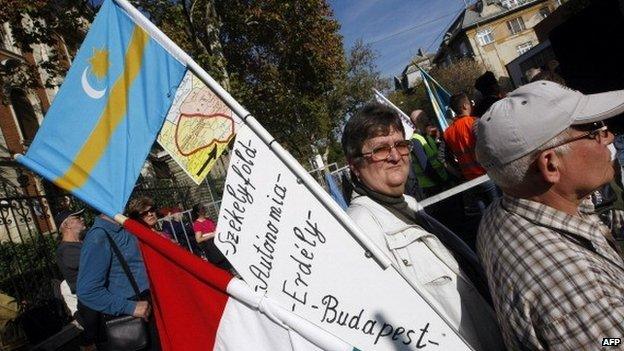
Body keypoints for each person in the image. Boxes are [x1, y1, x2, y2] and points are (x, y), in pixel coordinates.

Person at [474, 80, 624, 350]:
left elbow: (588, 223)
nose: (608, 137)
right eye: (594, 130)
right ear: (551, 164)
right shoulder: (579, 294)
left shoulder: (506, 208)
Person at [342, 102, 504, 350]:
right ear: (355, 165)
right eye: (380, 150)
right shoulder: (360, 232)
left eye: (399, 144)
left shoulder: (408, 204)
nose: (395, 156)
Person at [77, 214, 159, 350]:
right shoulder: (98, 236)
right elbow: (87, 291)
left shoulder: (127, 225)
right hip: (136, 314)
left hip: (152, 304)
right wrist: (129, 307)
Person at [445, 92, 500, 214]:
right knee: (498, 209)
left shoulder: (448, 132)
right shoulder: (474, 122)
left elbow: (443, 158)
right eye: (469, 103)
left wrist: (458, 173)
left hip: (469, 180)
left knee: (483, 212)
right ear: (465, 106)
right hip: (486, 174)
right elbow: (489, 145)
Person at [55, 208, 99, 350]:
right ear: (67, 225)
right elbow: (98, 263)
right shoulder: (66, 250)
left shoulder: (80, 243)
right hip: (92, 305)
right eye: (77, 217)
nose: (82, 218)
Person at [407, 109, 450, 198]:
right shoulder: (415, 141)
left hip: (442, 180)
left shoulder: (427, 137)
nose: (427, 119)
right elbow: (426, 168)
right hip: (432, 187)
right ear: (417, 121)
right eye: (424, 117)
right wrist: (442, 184)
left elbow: (438, 157)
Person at [192, 204, 232, 270]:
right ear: (198, 212)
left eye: (204, 208)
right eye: (202, 209)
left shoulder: (209, 220)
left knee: (228, 266)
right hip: (211, 247)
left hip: (219, 244)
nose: (205, 210)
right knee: (221, 268)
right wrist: (212, 235)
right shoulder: (197, 224)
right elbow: (198, 239)